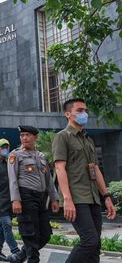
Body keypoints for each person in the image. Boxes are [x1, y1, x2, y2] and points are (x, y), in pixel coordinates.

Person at [52, 99, 116, 263]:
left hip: (93, 197)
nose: (84, 114)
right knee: (90, 241)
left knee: (96, 246)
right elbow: (60, 169)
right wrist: (67, 199)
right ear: (68, 114)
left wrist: (106, 196)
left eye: (85, 110)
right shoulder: (62, 137)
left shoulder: (88, 139)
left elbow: (95, 169)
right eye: (79, 110)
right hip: (76, 197)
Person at [7, 125, 60, 263]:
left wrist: (54, 198)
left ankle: (20, 256)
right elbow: (12, 179)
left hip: (40, 198)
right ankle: (32, 259)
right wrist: (15, 200)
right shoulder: (15, 155)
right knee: (30, 235)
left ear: (35, 137)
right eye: (22, 135)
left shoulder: (41, 156)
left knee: (45, 234)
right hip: (25, 197)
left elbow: (48, 180)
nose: (24, 138)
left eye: (27, 135)